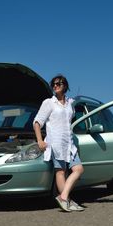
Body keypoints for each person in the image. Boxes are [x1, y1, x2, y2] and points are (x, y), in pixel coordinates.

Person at [33, 74, 85, 212]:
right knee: (60, 171)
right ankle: (66, 200)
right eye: (54, 84)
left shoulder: (70, 104)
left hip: (69, 143)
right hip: (55, 142)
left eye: (59, 83)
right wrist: (39, 140)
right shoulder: (48, 103)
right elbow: (37, 122)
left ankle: (64, 198)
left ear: (65, 86)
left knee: (78, 169)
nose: (55, 86)